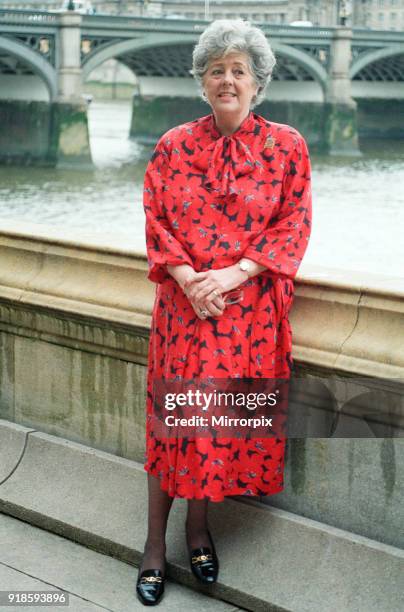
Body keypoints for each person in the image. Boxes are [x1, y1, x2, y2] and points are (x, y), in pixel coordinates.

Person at [136, 19, 312, 606]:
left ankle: (198, 529)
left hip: (248, 319)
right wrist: (189, 281)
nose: (227, 80)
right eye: (217, 70)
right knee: (176, 425)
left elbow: (294, 223)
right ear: (202, 81)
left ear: (257, 83)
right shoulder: (172, 145)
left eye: (239, 70)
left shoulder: (287, 147)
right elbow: (156, 219)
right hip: (184, 313)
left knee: (216, 429)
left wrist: (235, 274)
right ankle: (155, 546)